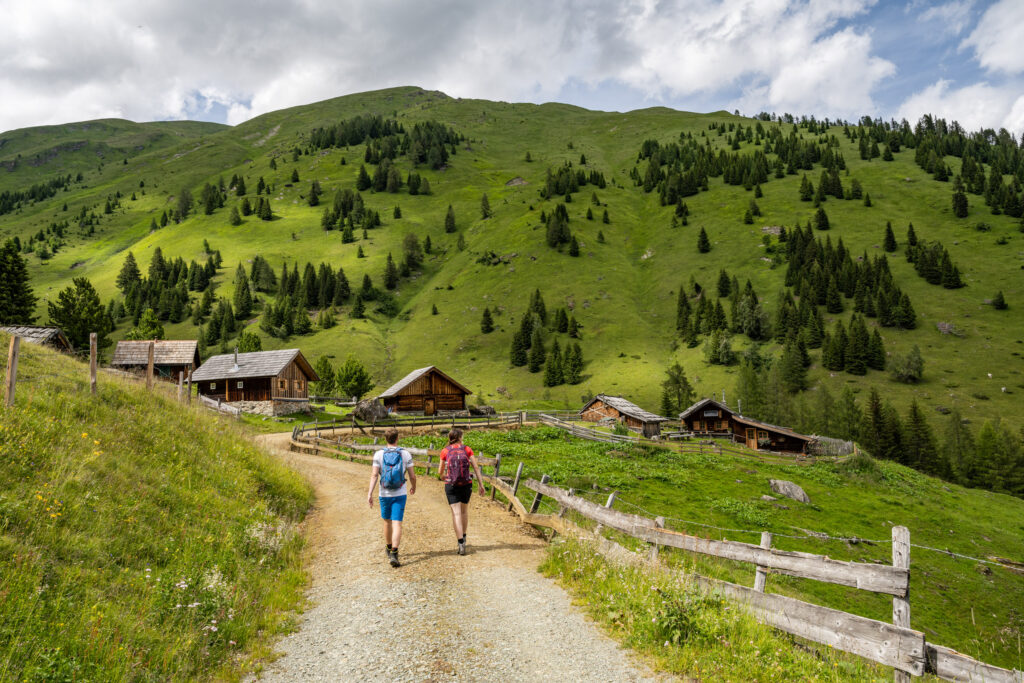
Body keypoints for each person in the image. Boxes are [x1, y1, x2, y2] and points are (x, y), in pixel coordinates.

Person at [367, 428, 416, 567]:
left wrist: (370, 493)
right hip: (400, 493)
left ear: (385, 439)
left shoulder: (378, 454)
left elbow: (374, 475)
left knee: (387, 522)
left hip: (384, 493)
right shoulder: (405, 454)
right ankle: (395, 552)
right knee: (397, 523)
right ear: (397, 438)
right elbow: (412, 475)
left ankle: (388, 548)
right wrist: (413, 486)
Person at [437, 428, 486, 555]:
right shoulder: (467, 449)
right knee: (464, 511)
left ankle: (460, 543)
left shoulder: (445, 451)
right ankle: (464, 538)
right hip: (466, 483)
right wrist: (481, 484)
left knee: (456, 513)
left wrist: (443, 477)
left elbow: (440, 471)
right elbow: (475, 467)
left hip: (451, 484)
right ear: (460, 437)